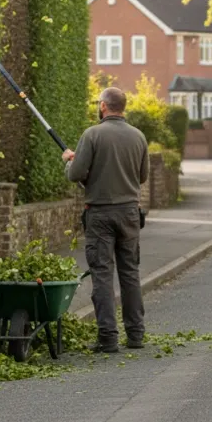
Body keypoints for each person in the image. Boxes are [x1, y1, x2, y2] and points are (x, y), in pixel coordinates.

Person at [62, 86, 149, 353]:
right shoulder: (138, 136)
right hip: (129, 213)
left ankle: (108, 337)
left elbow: (75, 174)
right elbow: (143, 176)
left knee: (102, 274)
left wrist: (70, 161)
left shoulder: (92, 135)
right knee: (130, 273)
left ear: (103, 106)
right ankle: (135, 334)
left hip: (100, 214)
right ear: (123, 107)